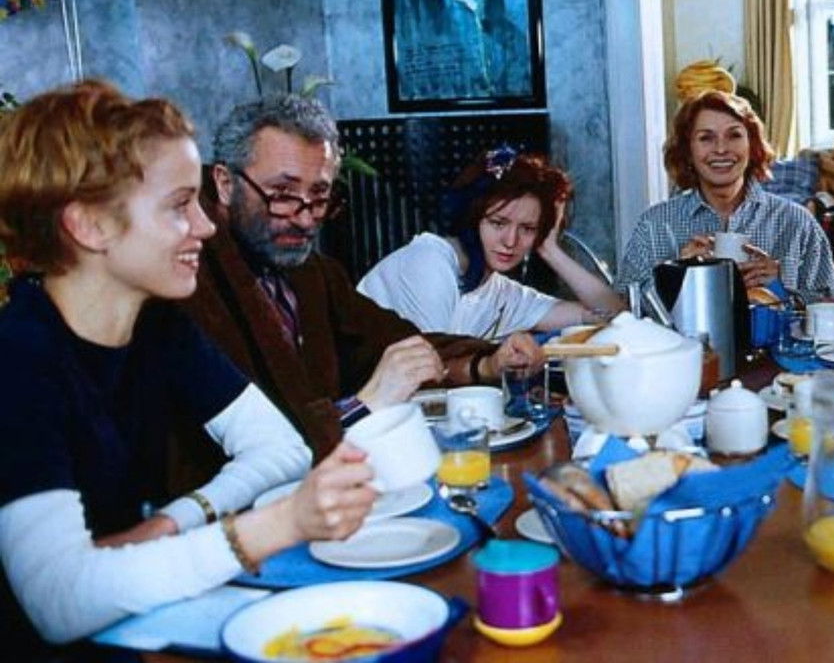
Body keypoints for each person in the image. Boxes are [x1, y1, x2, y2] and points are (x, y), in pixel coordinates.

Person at [0, 81, 376, 659]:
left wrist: (176, 521)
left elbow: (283, 450)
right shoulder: (18, 360)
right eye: (180, 206)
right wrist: (279, 524)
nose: (205, 225)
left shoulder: (157, 325)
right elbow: (57, 603)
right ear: (89, 224)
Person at [175, 95, 541, 494]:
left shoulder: (312, 273)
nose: (304, 218)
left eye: (319, 197)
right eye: (282, 194)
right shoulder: (189, 287)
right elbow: (236, 453)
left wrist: (485, 364)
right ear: (225, 184)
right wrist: (366, 404)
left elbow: (393, 341)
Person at [357, 147, 623, 336]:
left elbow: (614, 315)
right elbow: (433, 367)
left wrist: (550, 249)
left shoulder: (501, 293)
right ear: (474, 219)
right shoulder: (428, 262)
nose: (510, 241)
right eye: (498, 223)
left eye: (527, 229)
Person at [615, 90, 834, 303]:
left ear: (752, 146)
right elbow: (624, 307)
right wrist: (676, 276)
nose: (721, 149)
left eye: (734, 135)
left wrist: (781, 286)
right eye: (706, 138)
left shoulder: (796, 222)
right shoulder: (656, 224)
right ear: (687, 151)